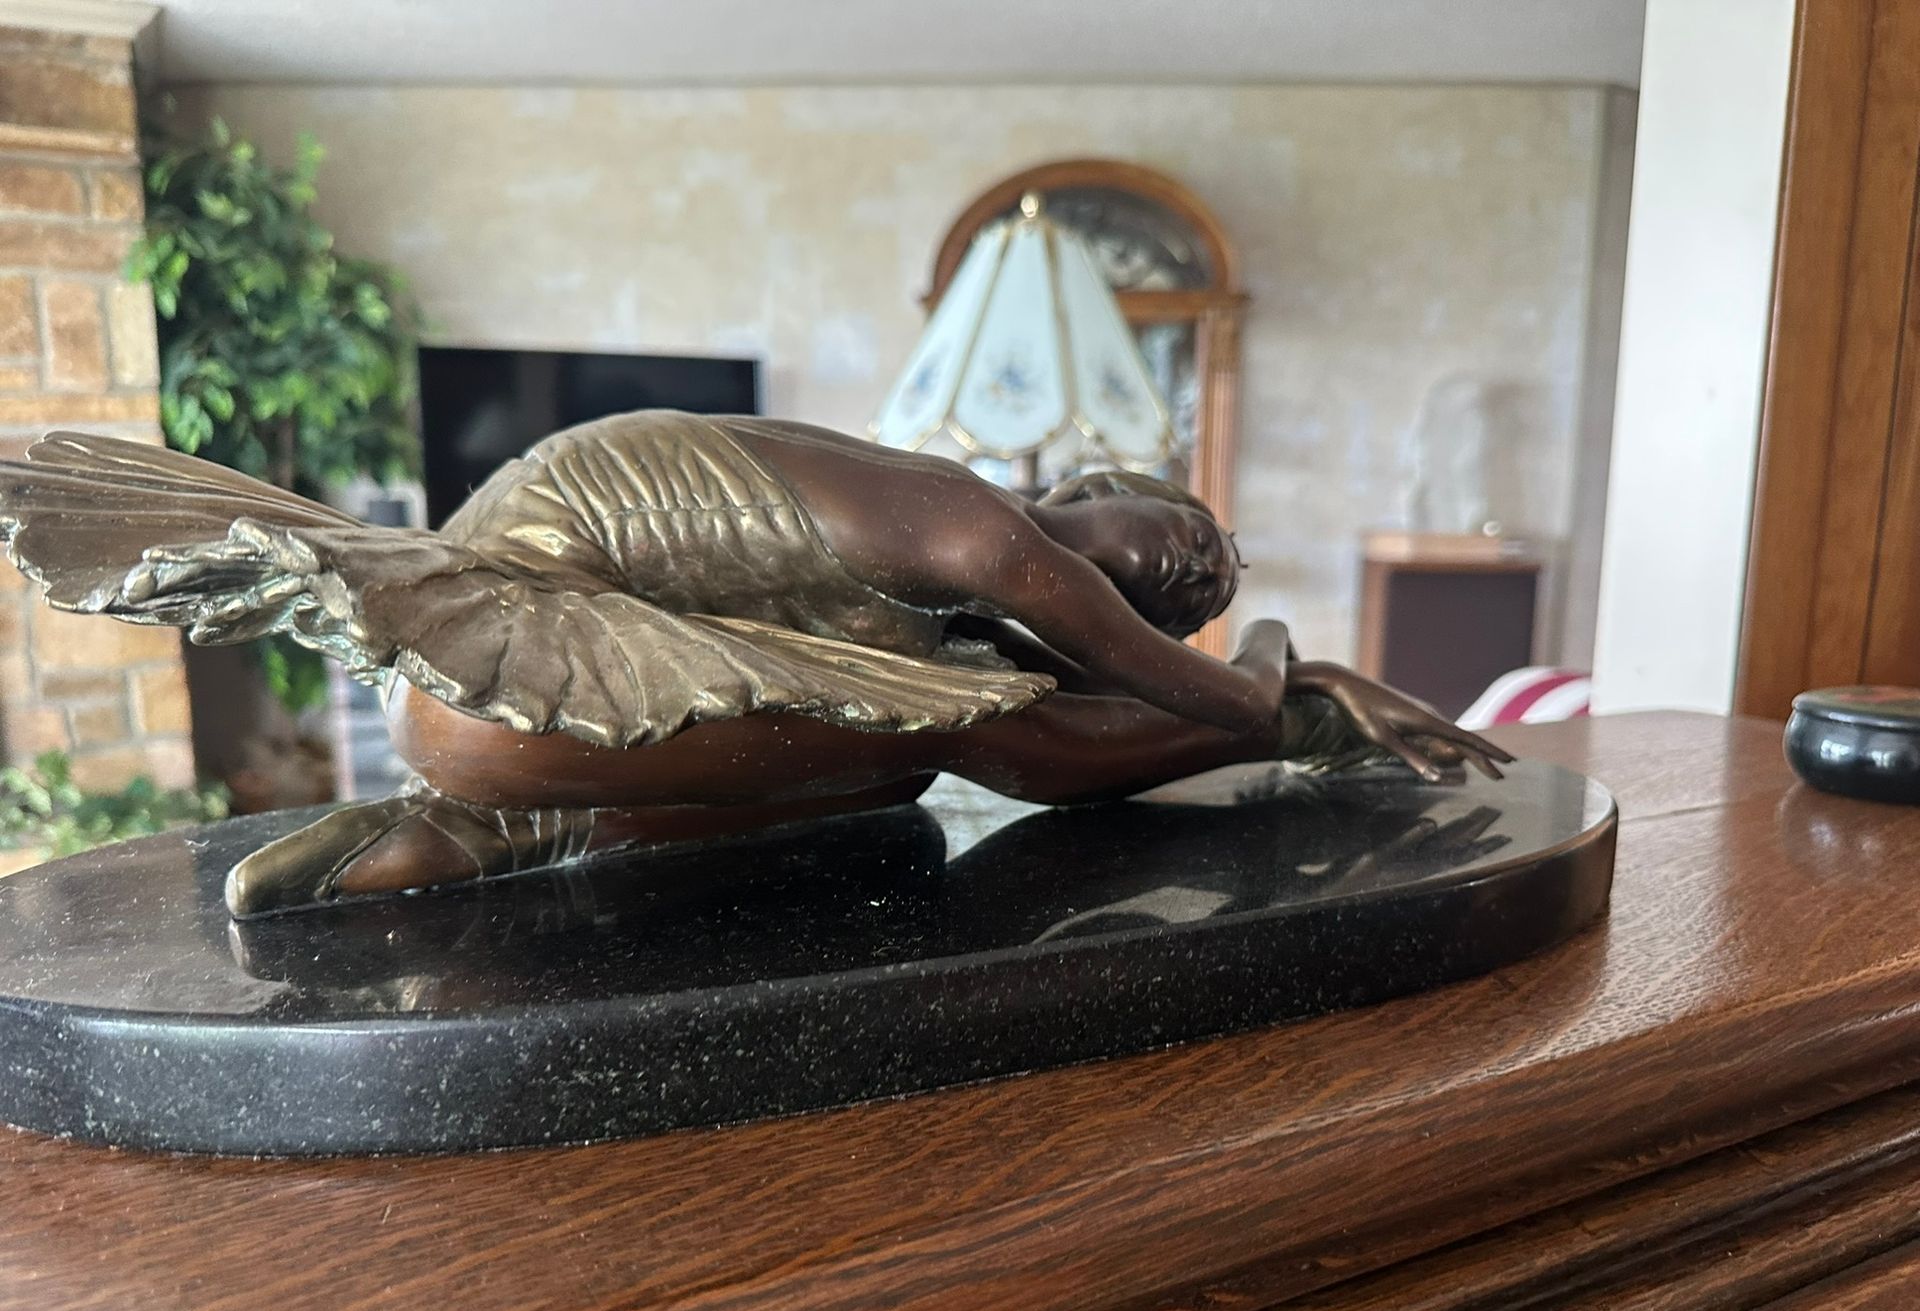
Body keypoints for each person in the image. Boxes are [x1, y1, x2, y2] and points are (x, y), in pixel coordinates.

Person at [0, 412, 1508, 914]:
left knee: (924, 745)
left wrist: (1273, 703)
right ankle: (499, 818)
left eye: (1198, 597)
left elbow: (1057, 732)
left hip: (504, 722)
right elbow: (1046, 694)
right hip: (509, 638)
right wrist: (1281, 691)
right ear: (1088, 488)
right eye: (1181, 533)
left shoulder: (908, 623)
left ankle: (485, 832)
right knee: (944, 732)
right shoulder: (969, 520)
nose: (1186, 576)